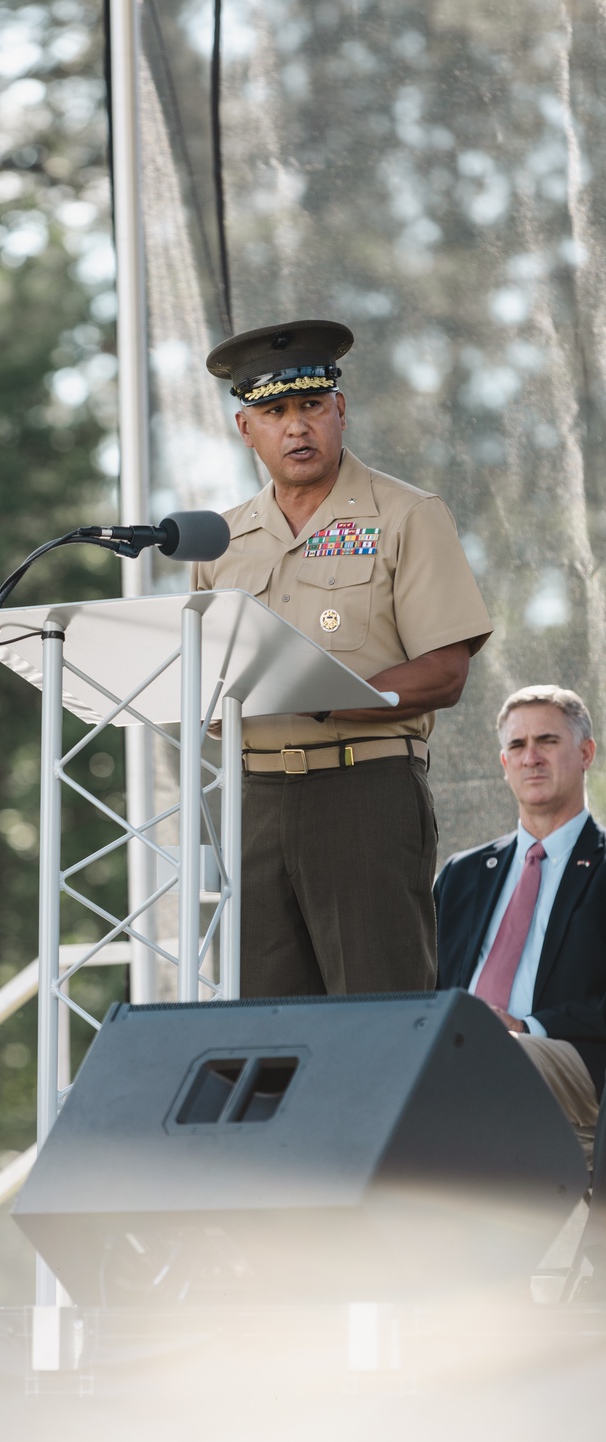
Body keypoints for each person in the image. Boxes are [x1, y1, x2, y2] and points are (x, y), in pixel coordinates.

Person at [194, 319, 492, 997]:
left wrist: (315, 693)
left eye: (311, 407)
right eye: (274, 412)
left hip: (364, 791)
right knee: (259, 1027)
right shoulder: (222, 540)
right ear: (247, 430)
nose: (296, 428)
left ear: (340, 411)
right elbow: (210, 698)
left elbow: (445, 672)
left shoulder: (407, 514)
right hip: (253, 801)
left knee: (376, 1017)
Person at [435, 685, 604, 1164]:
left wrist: (526, 1025)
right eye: (517, 746)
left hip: (569, 1058)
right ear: (504, 763)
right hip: (459, 1050)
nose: (531, 757)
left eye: (547, 741)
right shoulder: (461, 873)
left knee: (488, 1057)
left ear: (586, 752)